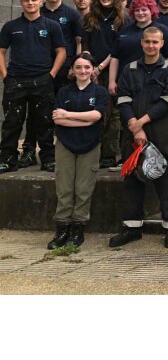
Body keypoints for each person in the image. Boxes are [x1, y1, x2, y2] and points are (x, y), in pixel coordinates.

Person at [109, 27, 168, 249]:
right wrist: (135, 126)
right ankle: (132, 228)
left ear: (162, 44)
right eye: (147, 42)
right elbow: (122, 99)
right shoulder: (129, 69)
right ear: (141, 44)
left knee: (166, 178)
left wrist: (141, 122)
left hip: (161, 131)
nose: (151, 45)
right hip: (132, 132)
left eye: (155, 42)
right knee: (132, 178)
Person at [0, 0, 67, 174]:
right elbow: (1, 51)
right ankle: (7, 160)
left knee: (44, 122)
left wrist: (51, 74)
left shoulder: (52, 26)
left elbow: (61, 51)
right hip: (15, 81)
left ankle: (48, 159)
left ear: (40, 2)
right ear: (21, 2)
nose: (30, 3)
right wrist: (5, 75)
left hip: (42, 81)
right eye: (26, 0)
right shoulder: (11, 27)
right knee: (12, 123)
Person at [47, 52, 108, 250]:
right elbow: (58, 119)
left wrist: (69, 115)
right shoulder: (64, 92)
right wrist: (84, 120)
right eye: (79, 67)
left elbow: (97, 116)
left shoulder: (100, 92)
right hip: (65, 143)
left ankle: (77, 229)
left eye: (87, 67)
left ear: (92, 70)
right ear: (72, 70)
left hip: (90, 145)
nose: (83, 71)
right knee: (64, 188)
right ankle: (62, 228)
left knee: (83, 189)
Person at [81, 0, 126, 169]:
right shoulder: (90, 18)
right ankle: (92, 152)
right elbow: (85, 45)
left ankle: (109, 155)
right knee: (94, 112)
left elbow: (117, 48)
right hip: (90, 71)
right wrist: (90, 66)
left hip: (112, 70)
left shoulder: (122, 19)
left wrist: (100, 67)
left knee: (112, 115)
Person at [40, 0, 83, 94]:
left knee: (62, 100)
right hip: (41, 64)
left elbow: (80, 42)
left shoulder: (72, 14)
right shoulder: (37, 14)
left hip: (65, 66)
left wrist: (75, 66)